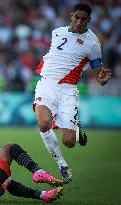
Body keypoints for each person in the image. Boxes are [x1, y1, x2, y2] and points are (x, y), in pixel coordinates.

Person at [34, 3, 111, 183]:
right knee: (44, 123)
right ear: (71, 16)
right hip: (46, 85)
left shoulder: (92, 42)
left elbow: (97, 71)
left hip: (68, 91)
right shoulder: (57, 32)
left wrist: (101, 80)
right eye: (76, 17)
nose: (78, 22)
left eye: (83, 19)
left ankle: (75, 127)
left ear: (89, 20)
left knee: (69, 142)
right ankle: (62, 164)